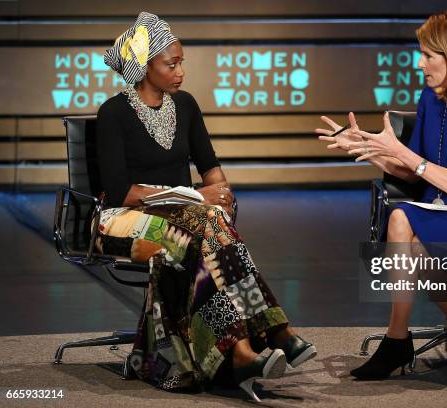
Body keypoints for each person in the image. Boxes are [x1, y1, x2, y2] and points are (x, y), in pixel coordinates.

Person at [95, 12, 316, 402]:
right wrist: (198, 196)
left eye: (182, 62)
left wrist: (222, 193)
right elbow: (118, 193)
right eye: (171, 63)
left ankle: (241, 352)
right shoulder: (112, 114)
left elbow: (211, 169)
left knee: (205, 236)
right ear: (144, 68)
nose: (180, 71)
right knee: (202, 229)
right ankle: (271, 331)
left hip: (183, 216)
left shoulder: (186, 106)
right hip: (118, 222)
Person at [316, 10, 447, 379]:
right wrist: (366, 150)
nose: (420, 62)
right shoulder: (432, 98)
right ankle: (424, 336)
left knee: (410, 241)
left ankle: (408, 341)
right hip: (440, 207)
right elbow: (413, 172)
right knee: (401, 221)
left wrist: (401, 151)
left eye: (428, 55)